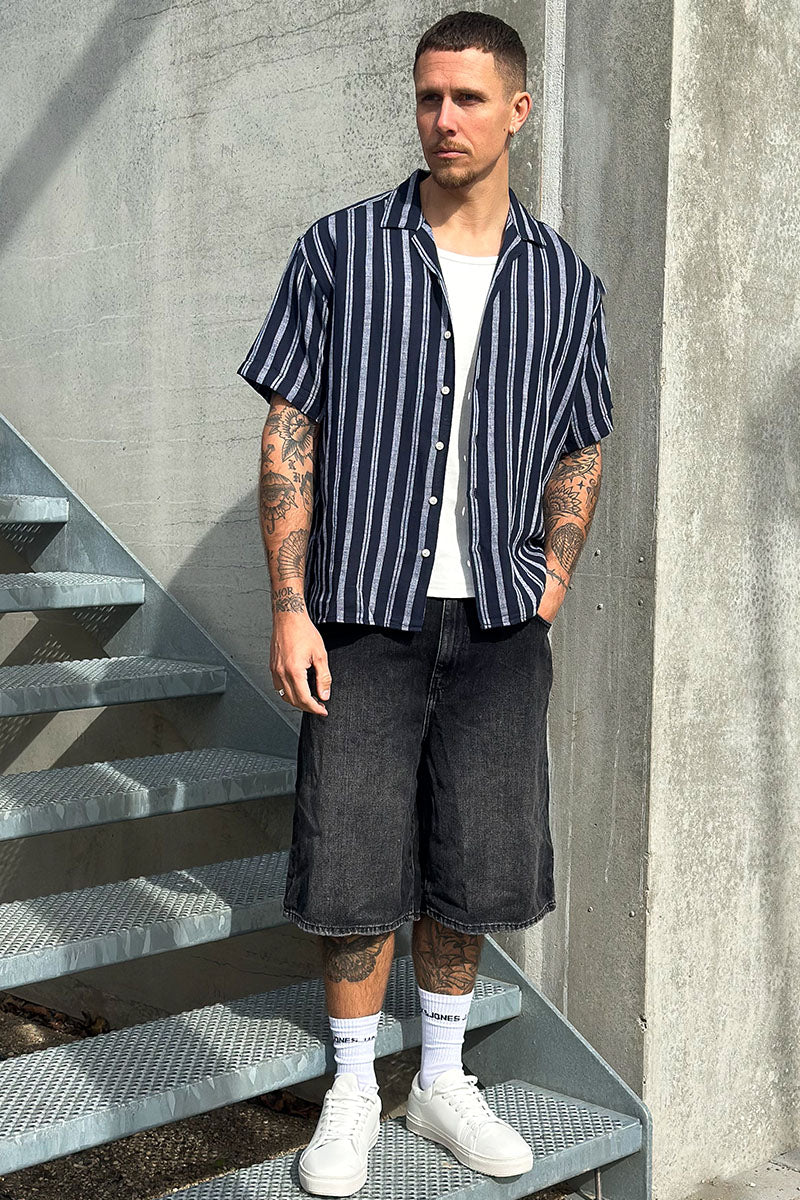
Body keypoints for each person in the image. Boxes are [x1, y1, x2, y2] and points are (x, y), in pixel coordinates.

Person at [236, 9, 613, 1195]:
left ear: (517, 109)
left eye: (466, 98)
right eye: (426, 97)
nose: (441, 119)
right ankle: (353, 1088)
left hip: (497, 622)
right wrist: (289, 605)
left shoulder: (563, 281)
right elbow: (289, 425)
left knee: (473, 855)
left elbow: (581, 439)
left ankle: (440, 1079)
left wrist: (551, 578)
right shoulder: (342, 248)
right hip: (361, 610)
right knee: (351, 860)